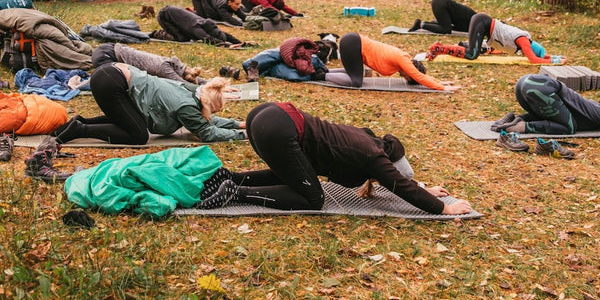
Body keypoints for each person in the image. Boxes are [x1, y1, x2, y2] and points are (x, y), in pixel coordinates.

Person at [196, 101, 472, 215]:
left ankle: (230, 177)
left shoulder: (367, 139)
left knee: (296, 176)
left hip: (269, 116)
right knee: (313, 199)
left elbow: (397, 181)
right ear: (387, 159)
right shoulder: (374, 156)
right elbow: (398, 184)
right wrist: (443, 208)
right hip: (278, 129)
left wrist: (427, 190)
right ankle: (237, 192)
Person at [53, 64, 246, 145]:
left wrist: (236, 124)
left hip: (111, 74)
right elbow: (208, 132)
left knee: (130, 120)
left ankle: (81, 121)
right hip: (112, 82)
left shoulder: (191, 91)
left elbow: (207, 121)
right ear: (208, 104)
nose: (213, 113)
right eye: (215, 109)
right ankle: (80, 130)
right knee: (138, 135)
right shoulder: (186, 107)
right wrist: (243, 135)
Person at [493, 74, 600, 138]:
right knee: (568, 127)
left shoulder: (590, 108)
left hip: (525, 82)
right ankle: (519, 127)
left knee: (550, 116)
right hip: (540, 86)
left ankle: (512, 119)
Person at [324, 33, 459, 91]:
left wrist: (440, 82)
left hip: (354, 44)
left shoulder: (403, 60)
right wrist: (443, 88)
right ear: (411, 70)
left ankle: (325, 71)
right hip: (352, 44)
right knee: (356, 82)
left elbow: (420, 76)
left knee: (356, 74)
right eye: (406, 77)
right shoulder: (403, 60)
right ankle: (321, 75)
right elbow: (419, 76)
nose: (402, 77)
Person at [426, 12, 564, 64]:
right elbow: (534, 59)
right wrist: (553, 61)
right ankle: (440, 48)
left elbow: (538, 55)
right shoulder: (524, 40)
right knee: (472, 55)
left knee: (480, 50)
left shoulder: (525, 44)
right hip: (482, 23)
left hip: (485, 28)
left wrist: (554, 57)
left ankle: (443, 47)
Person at [92, 42, 205, 84]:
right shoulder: (165, 69)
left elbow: (190, 77)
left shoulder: (170, 62)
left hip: (108, 49)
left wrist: (208, 82)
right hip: (106, 57)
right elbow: (184, 85)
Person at [241, 38, 328, 82]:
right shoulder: (310, 53)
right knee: (275, 55)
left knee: (291, 74)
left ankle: (252, 66)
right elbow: (291, 44)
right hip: (286, 52)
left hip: (277, 64)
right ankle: (251, 65)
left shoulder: (313, 61)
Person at [156, 5, 243, 46]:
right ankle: (157, 33)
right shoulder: (197, 29)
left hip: (173, 13)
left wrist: (240, 43)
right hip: (163, 16)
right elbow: (208, 40)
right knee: (182, 39)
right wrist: (228, 45)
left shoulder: (207, 24)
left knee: (187, 35)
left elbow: (225, 35)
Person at [409, 0, 476, 34]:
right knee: (446, 29)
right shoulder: (474, 24)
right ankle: (421, 24)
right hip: (441, 3)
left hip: (440, 1)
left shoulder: (473, 21)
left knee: (446, 27)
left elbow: (455, 28)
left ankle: (421, 23)